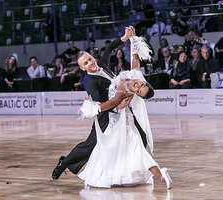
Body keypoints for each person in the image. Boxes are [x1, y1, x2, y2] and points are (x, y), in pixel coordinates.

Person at [51, 26, 150, 180]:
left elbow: (110, 47)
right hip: (106, 117)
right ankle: (64, 163)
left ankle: (134, 168)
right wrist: (118, 105)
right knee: (89, 146)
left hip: (121, 108)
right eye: (86, 63)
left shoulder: (102, 64)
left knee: (141, 136)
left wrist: (124, 37)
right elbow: (101, 106)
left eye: (90, 58)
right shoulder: (90, 83)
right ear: (83, 68)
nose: (90, 62)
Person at [78, 36, 172, 189]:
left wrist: (94, 108)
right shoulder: (134, 76)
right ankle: (157, 175)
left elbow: (113, 103)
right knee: (128, 151)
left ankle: (161, 176)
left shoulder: (125, 92)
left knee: (137, 150)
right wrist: (133, 41)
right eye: (142, 85)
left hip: (122, 124)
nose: (138, 86)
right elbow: (135, 61)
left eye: (139, 90)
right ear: (144, 82)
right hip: (118, 122)